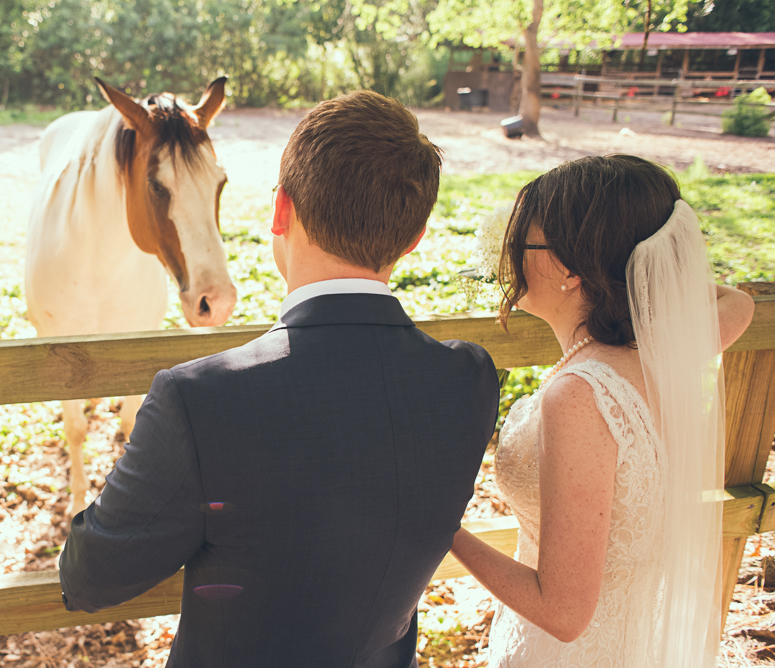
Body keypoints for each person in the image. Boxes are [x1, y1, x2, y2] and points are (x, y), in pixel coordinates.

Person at [58, 90, 501, 668]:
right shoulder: (467, 380)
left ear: (281, 211)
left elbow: (90, 576)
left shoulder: (199, 400)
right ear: (414, 237)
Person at [450, 155, 756, 667]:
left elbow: (564, 614)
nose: (510, 253)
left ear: (570, 269)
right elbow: (738, 301)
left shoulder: (579, 395)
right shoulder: (662, 352)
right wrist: (648, 284)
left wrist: (445, 530)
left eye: (524, 241)